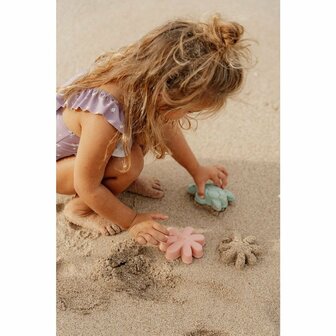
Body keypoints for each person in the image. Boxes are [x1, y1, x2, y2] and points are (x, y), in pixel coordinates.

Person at [56, 13, 251, 246]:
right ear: (164, 93)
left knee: (148, 131)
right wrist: (133, 220)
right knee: (129, 163)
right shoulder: (102, 117)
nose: (187, 117)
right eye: (188, 111)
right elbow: (85, 184)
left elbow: (168, 129)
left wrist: (196, 169)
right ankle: (79, 209)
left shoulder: (142, 85)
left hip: (83, 153)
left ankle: (118, 181)